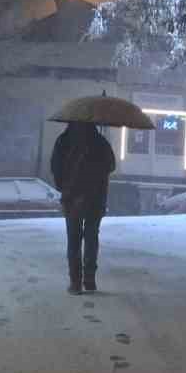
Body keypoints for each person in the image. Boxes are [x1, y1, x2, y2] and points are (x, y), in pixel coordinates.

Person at [50, 122, 116, 294]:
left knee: (73, 240)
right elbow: (111, 166)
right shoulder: (100, 142)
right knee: (91, 237)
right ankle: (90, 279)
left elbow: (55, 167)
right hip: (95, 197)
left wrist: (64, 187)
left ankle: (75, 282)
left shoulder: (63, 141)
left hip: (72, 198)